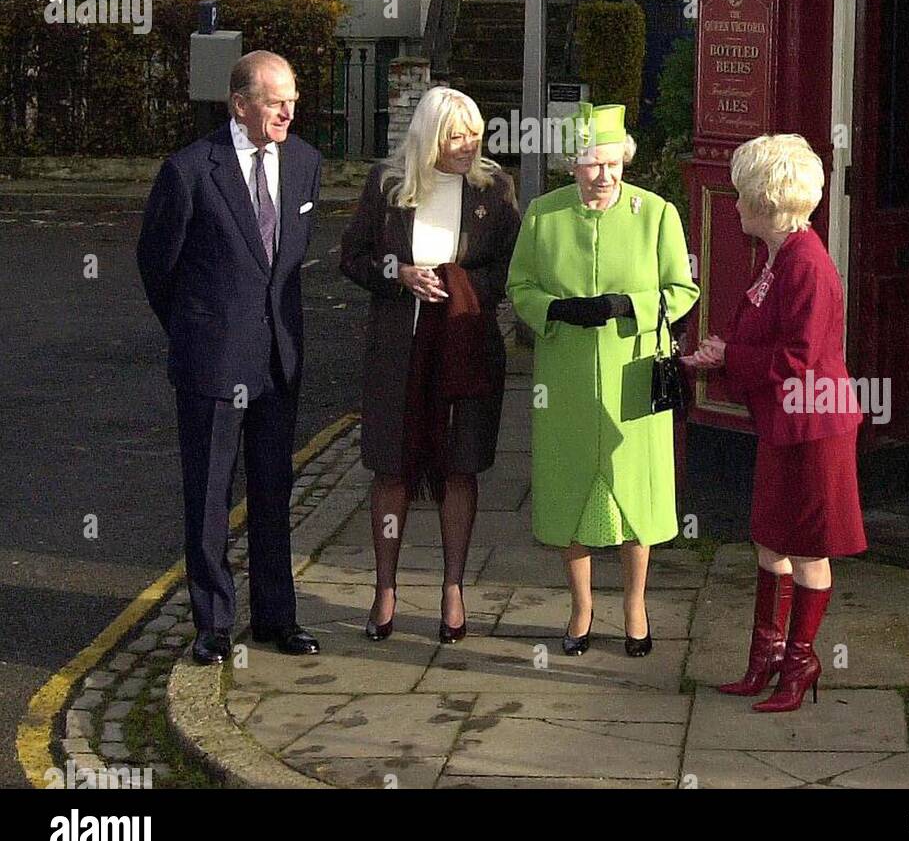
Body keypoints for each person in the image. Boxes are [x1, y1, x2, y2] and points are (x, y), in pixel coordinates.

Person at [137, 50, 322, 665]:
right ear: (239, 104)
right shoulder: (190, 171)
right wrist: (197, 331)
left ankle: (277, 618)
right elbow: (156, 266)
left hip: (278, 362)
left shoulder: (305, 164)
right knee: (211, 496)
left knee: (273, 493)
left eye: (292, 98)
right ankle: (213, 625)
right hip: (212, 364)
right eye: (275, 100)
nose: (288, 110)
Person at [507, 103, 699, 658]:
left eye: (613, 164)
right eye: (592, 165)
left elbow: (683, 292)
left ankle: (635, 604)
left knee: (635, 494)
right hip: (565, 381)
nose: (604, 176)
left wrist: (629, 304)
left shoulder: (657, 213)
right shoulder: (544, 216)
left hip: (635, 376)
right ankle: (581, 608)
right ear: (572, 165)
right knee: (571, 491)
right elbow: (520, 288)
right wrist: (556, 311)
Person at [683, 133, 866, 712]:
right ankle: (763, 661)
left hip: (814, 429)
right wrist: (725, 350)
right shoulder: (780, 259)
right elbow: (774, 342)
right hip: (787, 424)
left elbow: (800, 357)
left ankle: (800, 664)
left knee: (809, 549)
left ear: (767, 200)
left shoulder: (807, 265)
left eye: (741, 194)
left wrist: (727, 358)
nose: (733, 205)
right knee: (769, 540)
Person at [340, 87, 520, 643]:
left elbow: (512, 272)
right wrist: (400, 274)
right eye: (456, 135)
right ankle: (385, 590)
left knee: (459, 467)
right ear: (428, 137)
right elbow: (353, 257)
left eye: (475, 133)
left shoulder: (495, 188)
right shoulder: (387, 185)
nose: (470, 145)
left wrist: (458, 283)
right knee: (391, 469)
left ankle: (453, 589)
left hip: (465, 350)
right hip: (399, 349)